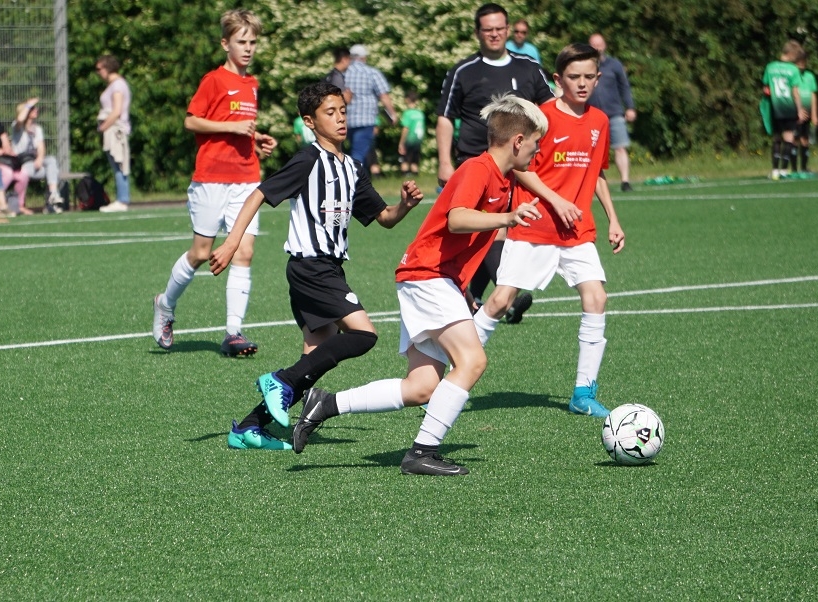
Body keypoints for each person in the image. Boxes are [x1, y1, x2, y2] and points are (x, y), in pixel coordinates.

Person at [290, 94, 547, 476]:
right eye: (536, 143)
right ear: (517, 141)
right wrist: (507, 217)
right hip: (427, 276)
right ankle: (422, 452)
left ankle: (326, 404)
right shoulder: (478, 169)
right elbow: (457, 219)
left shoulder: (503, 178)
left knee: (421, 387)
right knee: (472, 361)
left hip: (432, 279)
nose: (537, 152)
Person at [207, 81, 423, 450]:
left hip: (330, 269)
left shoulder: (353, 168)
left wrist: (404, 205)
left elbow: (384, 218)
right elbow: (259, 194)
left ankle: (247, 427)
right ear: (310, 121)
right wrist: (231, 242)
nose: (340, 119)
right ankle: (279, 380)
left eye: (342, 111)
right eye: (330, 113)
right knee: (364, 335)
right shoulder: (308, 160)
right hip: (310, 268)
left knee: (313, 361)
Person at [472, 43, 624, 418]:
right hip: (535, 226)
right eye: (574, 77)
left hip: (577, 230)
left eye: (589, 76)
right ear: (558, 79)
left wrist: (613, 218)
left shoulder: (600, 121)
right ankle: (451, 370)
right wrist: (556, 200)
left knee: (596, 298)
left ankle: (583, 392)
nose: (582, 83)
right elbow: (519, 168)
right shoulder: (541, 119)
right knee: (500, 301)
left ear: (598, 78)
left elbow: (597, 173)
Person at [152, 9, 278, 356]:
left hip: (247, 179)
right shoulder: (213, 80)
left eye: (253, 42)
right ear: (225, 44)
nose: (248, 48)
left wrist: (257, 140)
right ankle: (165, 304)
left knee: (244, 251)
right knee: (201, 253)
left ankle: (233, 333)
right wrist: (232, 128)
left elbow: (239, 128)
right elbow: (192, 121)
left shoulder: (252, 84)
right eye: (241, 41)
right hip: (211, 179)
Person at [436, 2, 553, 318]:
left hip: (519, 167)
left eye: (499, 28)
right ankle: (506, 299)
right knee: (491, 230)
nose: (494, 34)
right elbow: (445, 117)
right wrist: (444, 161)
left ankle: (474, 298)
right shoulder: (463, 71)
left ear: (508, 29)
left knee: (491, 233)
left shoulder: (529, 67)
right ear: (478, 32)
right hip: (475, 163)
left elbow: (551, 109)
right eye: (488, 29)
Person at [587, 33, 637, 191]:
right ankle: (592, 182)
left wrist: (630, 107)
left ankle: (625, 181)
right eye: (594, 45)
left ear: (605, 45)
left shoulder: (614, 65)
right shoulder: (585, 65)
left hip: (614, 113)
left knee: (620, 147)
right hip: (591, 114)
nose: (597, 47)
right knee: (591, 151)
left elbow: (624, 86)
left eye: (599, 44)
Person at [761, 40, 807, 180]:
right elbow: (795, 92)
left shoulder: (770, 67)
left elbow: (766, 88)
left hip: (776, 108)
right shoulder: (793, 70)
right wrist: (799, 110)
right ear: (791, 54)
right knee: (789, 138)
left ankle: (775, 171)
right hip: (789, 108)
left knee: (776, 139)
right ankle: (784, 170)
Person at [344, 44, 397, 165]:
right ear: (364, 57)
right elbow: (383, 95)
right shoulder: (372, 73)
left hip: (347, 119)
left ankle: (358, 174)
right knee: (359, 152)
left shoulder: (343, 73)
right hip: (366, 119)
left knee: (355, 149)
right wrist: (392, 113)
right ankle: (354, 175)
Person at [12, 98, 64, 213]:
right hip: (22, 164)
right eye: (33, 109)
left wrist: (40, 158)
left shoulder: (37, 129)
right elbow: (20, 119)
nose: (36, 110)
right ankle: (51, 204)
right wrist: (28, 104)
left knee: (51, 161)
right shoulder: (17, 126)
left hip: (35, 162)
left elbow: (41, 147)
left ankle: (53, 195)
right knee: (53, 172)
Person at [96, 54, 132, 212]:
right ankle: (121, 198)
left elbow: (116, 111)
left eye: (99, 69)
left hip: (116, 130)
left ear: (107, 68)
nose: (98, 72)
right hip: (112, 129)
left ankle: (122, 200)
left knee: (119, 164)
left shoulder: (117, 85)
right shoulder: (114, 85)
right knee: (116, 164)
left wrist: (103, 127)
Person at [794, 51, 818, 174]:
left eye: (804, 61)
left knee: (805, 139)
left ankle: (804, 167)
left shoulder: (810, 76)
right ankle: (793, 168)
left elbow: (813, 95)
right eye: (799, 61)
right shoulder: (792, 76)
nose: (802, 63)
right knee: (794, 139)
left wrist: (814, 114)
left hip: (807, 112)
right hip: (795, 112)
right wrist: (797, 110)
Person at [398, 90, 425, 177]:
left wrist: (401, 143)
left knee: (405, 160)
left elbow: (406, 128)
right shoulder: (420, 114)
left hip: (409, 139)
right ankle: (416, 176)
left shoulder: (407, 113)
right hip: (418, 140)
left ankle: (405, 176)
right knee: (415, 160)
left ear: (407, 100)